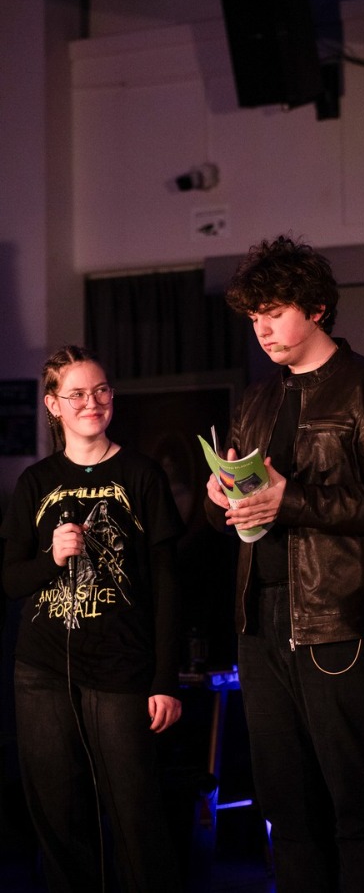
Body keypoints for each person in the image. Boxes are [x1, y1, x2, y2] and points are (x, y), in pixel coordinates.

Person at [205, 235, 364, 893]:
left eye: (275, 312)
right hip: (260, 618)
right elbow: (245, 508)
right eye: (254, 316)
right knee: (285, 803)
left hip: (339, 619)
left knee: (356, 801)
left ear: (318, 308)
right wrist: (225, 498)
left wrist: (291, 499)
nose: (262, 328)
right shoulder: (256, 399)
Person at [0, 344, 184, 893]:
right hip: (42, 672)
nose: (92, 402)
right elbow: (10, 581)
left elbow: (168, 587)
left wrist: (165, 680)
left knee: (136, 818)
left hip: (122, 669)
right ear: (53, 405)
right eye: (77, 393)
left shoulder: (142, 474)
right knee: (60, 822)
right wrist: (50, 559)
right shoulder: (35, 481)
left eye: (100, 390)